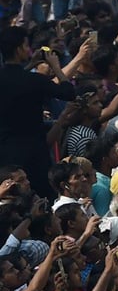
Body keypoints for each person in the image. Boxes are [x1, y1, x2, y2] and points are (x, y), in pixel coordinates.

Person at [0, 27, 76, 199]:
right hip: (35, 153)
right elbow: (68, 92)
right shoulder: (35, 80)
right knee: (42, 198)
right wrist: (56, 67)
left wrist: (30, 65)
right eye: (26, 46)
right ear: (19, 49)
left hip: (5, 154)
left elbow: (15, 80)